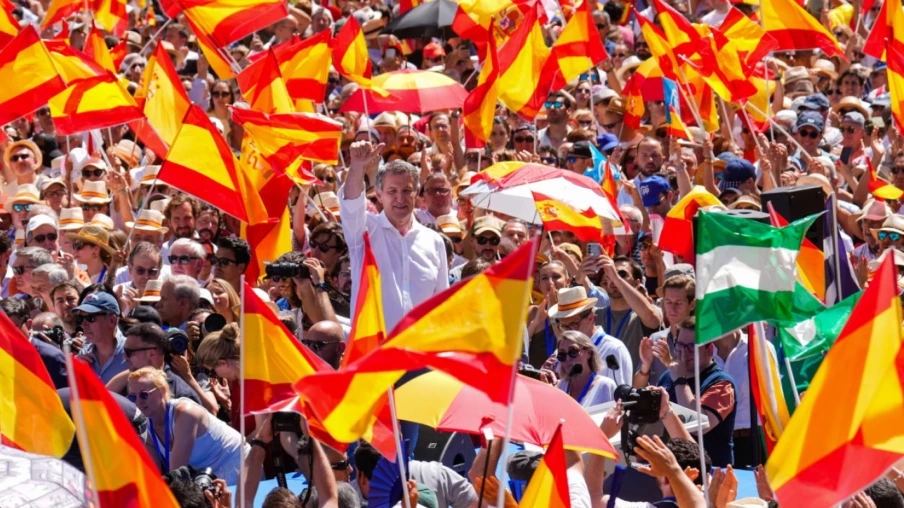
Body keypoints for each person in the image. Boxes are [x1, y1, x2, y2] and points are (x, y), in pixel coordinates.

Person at [339, 141, 448, 330]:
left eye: (407, 191)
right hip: (374, 353)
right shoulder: (364, 230)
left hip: (419, 352)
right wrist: (356, 165)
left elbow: (442, 306)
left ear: (416, 193)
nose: (400, 198)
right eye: (392, 191)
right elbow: (351, 202)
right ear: (379, 195)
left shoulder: (434, 241)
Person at [127, 366, 248, 486]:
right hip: (209, 475)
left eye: (144, 395)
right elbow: (155, 476)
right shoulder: (145, 424)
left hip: (238, 463)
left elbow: (177, 474)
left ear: (162, 390)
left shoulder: (186, 413)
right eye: (132, 397)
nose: (138, 402)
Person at [656, 317, 736, 467]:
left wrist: (680, 380)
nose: (685, 353)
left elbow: (698, 425)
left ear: (709, 349)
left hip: (711, 474)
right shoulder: (668, 377)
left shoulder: (722, 384)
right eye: (680, 345)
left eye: (692, 346)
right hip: (674, 469)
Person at [354, 441, 479, 508]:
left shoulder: (346, 497)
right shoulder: (436, 474)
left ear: (363, 478)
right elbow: (477, 504)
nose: (348, 469)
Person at [549, 287, 633, 385]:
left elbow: (621, 397)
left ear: (590, 318)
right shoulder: (561, 353)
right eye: (564, 326)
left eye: (573, 324)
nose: (568, 331)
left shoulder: (614, 349)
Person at [106, 322, 203, 405]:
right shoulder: (123, 385)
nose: (124, 357)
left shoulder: (183, 396)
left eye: (129, 352)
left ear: (151, 353)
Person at [635, 275, 695, 387]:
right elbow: (637, 388)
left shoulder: (700, 341)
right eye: (668, 302)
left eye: (678, 303)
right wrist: (646, 365)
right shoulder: (655, 339)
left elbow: (698, 386)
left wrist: (669, 363)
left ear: (692, 305)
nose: (672, 308)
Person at [74, 291, 128, 383]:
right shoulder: (84, 353)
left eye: (90, 318)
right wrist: (75, 370)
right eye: (81, 318)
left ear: (112, 320)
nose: (83, 324)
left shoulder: (132, 351)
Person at [555, 330, 617, 409]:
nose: (568, 358)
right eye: (562, 354)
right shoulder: (558, 387)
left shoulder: (605, 385)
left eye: (573, 351)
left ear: (589, 353)